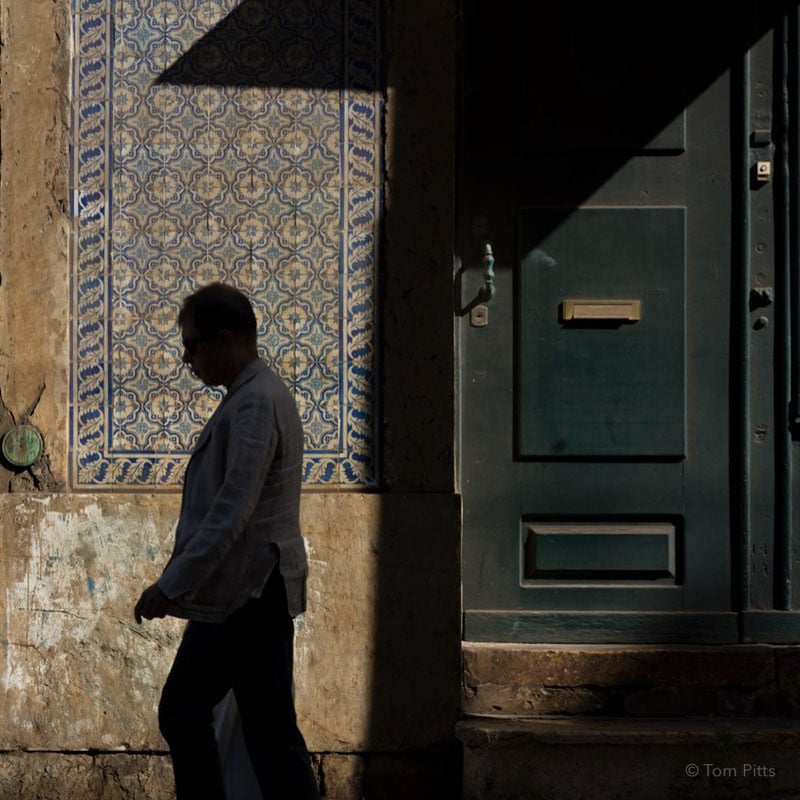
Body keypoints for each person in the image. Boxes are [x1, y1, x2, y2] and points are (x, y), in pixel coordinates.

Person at [134, 282, 320, 800]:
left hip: (254, 594)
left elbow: (232, 510)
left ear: (226, 338)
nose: (188, 359)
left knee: (270, 738)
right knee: (186, 709)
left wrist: (171, 585)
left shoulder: (256, 403)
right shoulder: (247, 397)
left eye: (193, 346)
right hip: (234, 596)